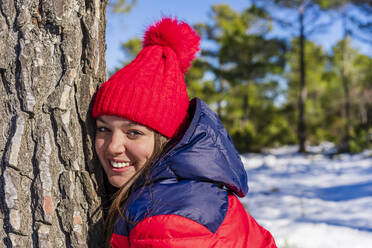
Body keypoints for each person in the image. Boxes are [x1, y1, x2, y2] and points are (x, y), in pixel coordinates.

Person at [92, 17, 277, 248]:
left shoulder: (167, 219)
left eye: (133, 133)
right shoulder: (181, 193)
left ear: (166, 139)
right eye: (103, 129)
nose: (112, 146)